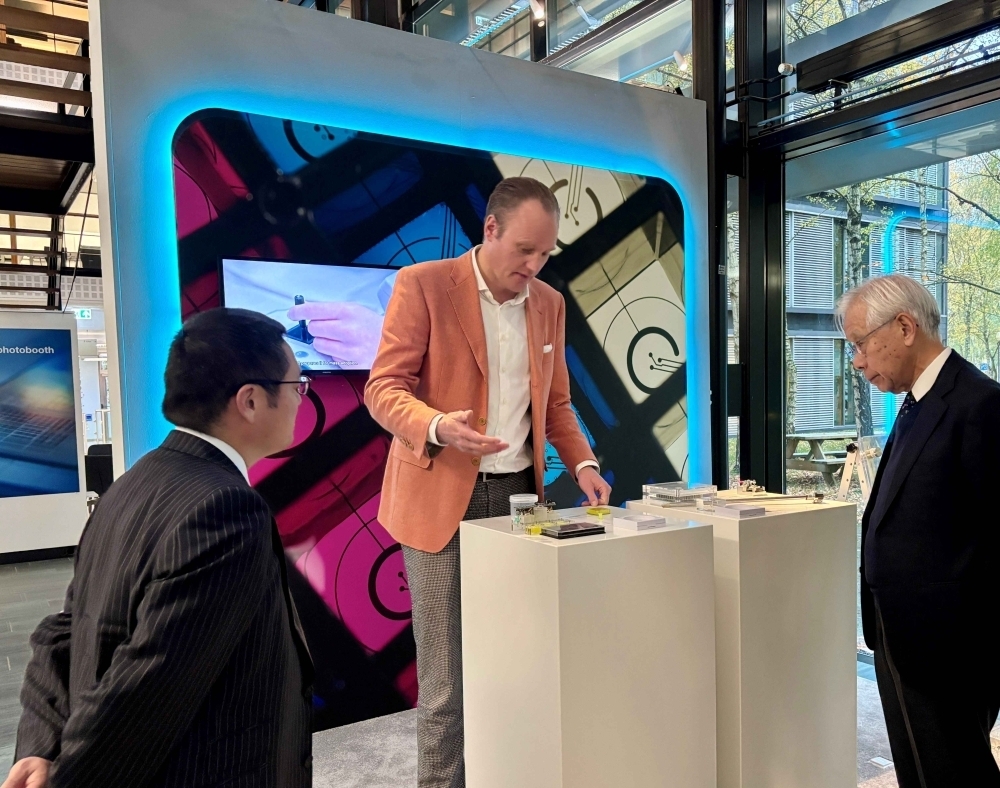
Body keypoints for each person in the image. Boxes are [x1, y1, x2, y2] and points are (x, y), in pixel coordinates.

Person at [364, 176, 612, 788]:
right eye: (525, 250)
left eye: (546, 253)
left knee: (516, 659)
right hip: (438, 496)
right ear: (490, 229)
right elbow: (383, 389)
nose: (534, 266)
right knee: (446, 678)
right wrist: (437, 425)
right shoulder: (423, 284)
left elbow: (556, 405)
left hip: (519, 499)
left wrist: (583, 465)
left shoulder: (549, 303)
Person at [4, 308, 314, 788]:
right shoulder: (227, 509)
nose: (301, 399)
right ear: (251, 400)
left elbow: (64, 628)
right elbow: (148, 690)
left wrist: (41, 745)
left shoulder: (132, 482)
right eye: (298, 385)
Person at [838, 274, 1000, 787]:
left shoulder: (979, 404)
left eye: (860, 344)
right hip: (904, 636)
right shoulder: (918, 401)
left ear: (905, 327)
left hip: (947, 648)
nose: (857, 361)